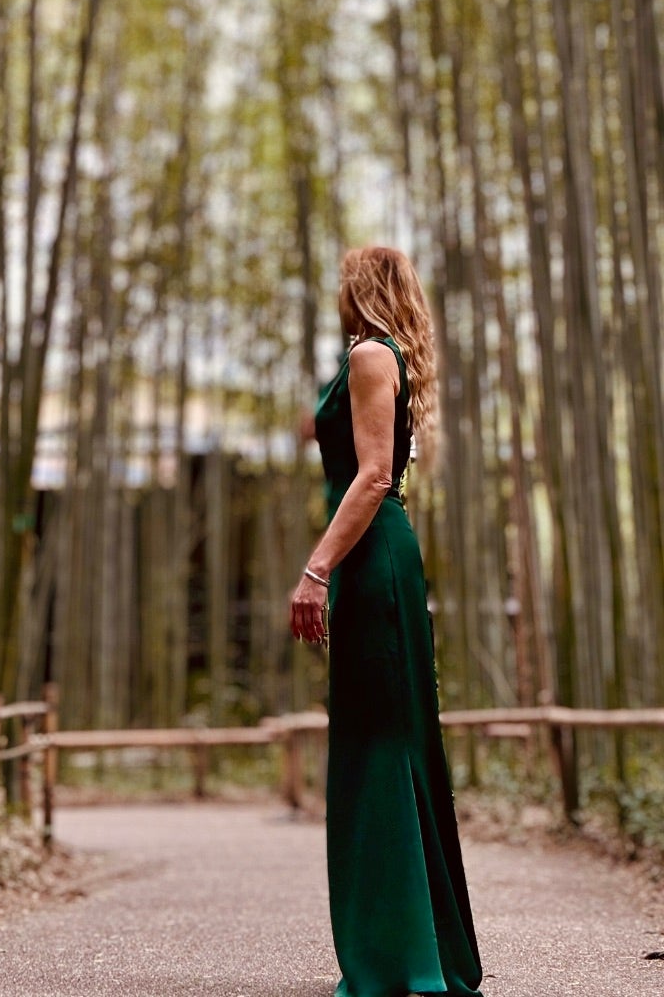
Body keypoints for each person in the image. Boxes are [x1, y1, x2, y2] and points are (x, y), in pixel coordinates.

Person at [289, 244, 483, 997]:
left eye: (344, 281)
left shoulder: (373, 353)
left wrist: (316, 569)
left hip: (371, 559)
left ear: (361, 286)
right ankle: (406, 947)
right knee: (380, 740)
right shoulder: (367, 356)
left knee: (382, 745)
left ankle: (403, 959)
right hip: (371, 560)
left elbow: (373, 475)